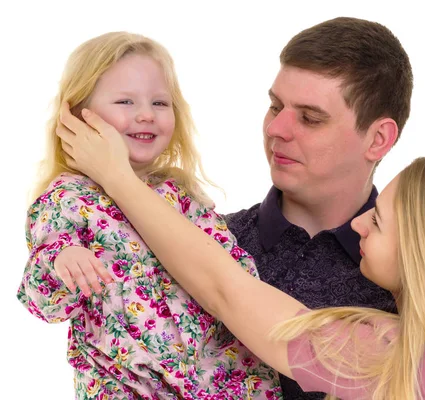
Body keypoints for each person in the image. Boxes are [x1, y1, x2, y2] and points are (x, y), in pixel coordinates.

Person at [55, 109, 425, 399]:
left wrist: (118, 178)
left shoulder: (387, 356)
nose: (359, 222)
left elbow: (226, 290)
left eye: (377, 221)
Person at [17, 32, 280, 399]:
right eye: (125, 101)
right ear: (76, 115)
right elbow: (41, 301)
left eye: (160, 102)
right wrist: (63, 260)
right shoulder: (67, 199)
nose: (145, 114)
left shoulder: (181, 196)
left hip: (215, 381)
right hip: (126, 384)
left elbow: (231, 270)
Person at [225, 17, 413, 398]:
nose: (277, 129)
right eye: (275, 107)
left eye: (310, 118)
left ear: (378, 139)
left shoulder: (419, 281)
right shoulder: (206, 238)